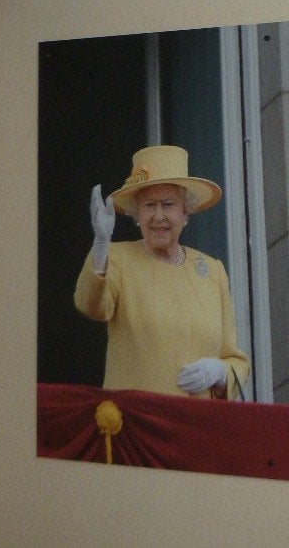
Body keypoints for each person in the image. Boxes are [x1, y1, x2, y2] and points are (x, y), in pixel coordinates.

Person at [74, 145, 249, 400]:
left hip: (196, 426)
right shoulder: (118, 259)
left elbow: (235, 359)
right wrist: (100, 246)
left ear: (184, 211)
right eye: (149, 206)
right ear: (137, 214)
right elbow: (91, 305)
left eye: (168, 205)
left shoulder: (212, 271)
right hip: (136, 424)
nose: (158, 216)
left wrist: (220, 373)